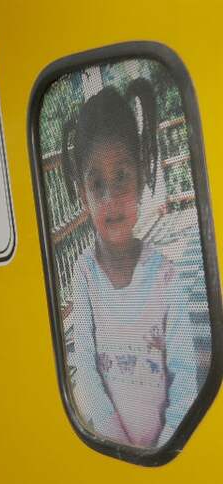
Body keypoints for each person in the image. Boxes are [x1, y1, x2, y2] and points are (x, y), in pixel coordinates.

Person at [61, 78, 200, 448]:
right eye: (97, 184)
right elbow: (85, 369)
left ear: (141, 175)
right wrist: (118, 444)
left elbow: (185, 380)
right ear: (83, 194)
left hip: (165, 456)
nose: (110, 199)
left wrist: (161, 451)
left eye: (121, 177)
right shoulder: (84, 274)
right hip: (111, 454)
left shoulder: (167, 279)